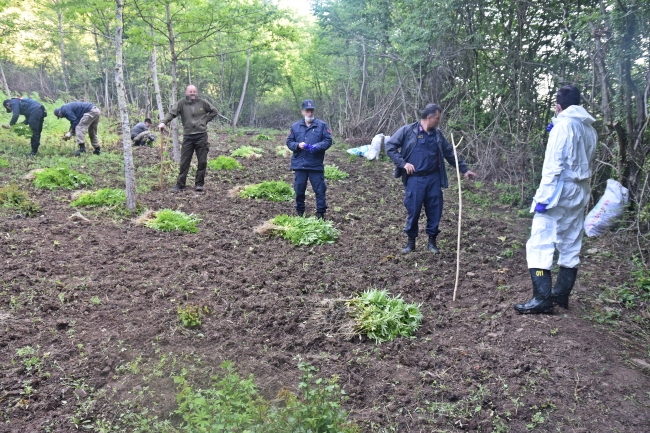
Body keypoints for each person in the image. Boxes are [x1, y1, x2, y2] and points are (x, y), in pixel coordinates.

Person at [515, 85, 597, 314]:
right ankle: (560, 295)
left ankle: (542, 298)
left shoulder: (563, 127)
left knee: (540, 240)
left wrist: (542, 197)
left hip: (560, 190)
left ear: (558, 106)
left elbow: (553, 166)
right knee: (570, 240)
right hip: (580, 189)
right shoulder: (589, 129)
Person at [386, 104, 477, 254]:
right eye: (437, 118)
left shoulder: (438, 136)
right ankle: (410, 243)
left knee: (435, 210)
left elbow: (449, 154)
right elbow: (390, 146)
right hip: (414, 179)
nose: (439, 121)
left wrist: (464, 169)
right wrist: (403, 163)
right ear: (429, 118)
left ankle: (432, 242)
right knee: (413, 210)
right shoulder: (408, 131)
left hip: (434, 179)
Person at [159, 85, 219, 192]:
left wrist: (204, 120)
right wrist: (163, 122)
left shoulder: (203, 102)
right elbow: (172, 113)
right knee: (184, 162)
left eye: (194, 91)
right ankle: (180, 185)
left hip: (201, 136)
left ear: (197, 93)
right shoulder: (181, 103)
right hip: (188, 137)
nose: (192, 93)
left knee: (202, 161)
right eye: (190, 91)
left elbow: (214, 111)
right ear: (186, 92)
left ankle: (199, 184)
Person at [286, 99, 333, 219]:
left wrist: (317, 146)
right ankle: (300, 213)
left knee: (320, 190)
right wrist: (297, 145)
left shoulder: (322, 125)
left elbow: (328, 141)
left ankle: (321, 214)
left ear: (314, 111)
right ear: (302, 112)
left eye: (311, 110)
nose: (310, 113)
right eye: (307, 111)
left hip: (315, 164)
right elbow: (289, 142)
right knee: (299, 189)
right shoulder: (295, 126)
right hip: (299, 164)